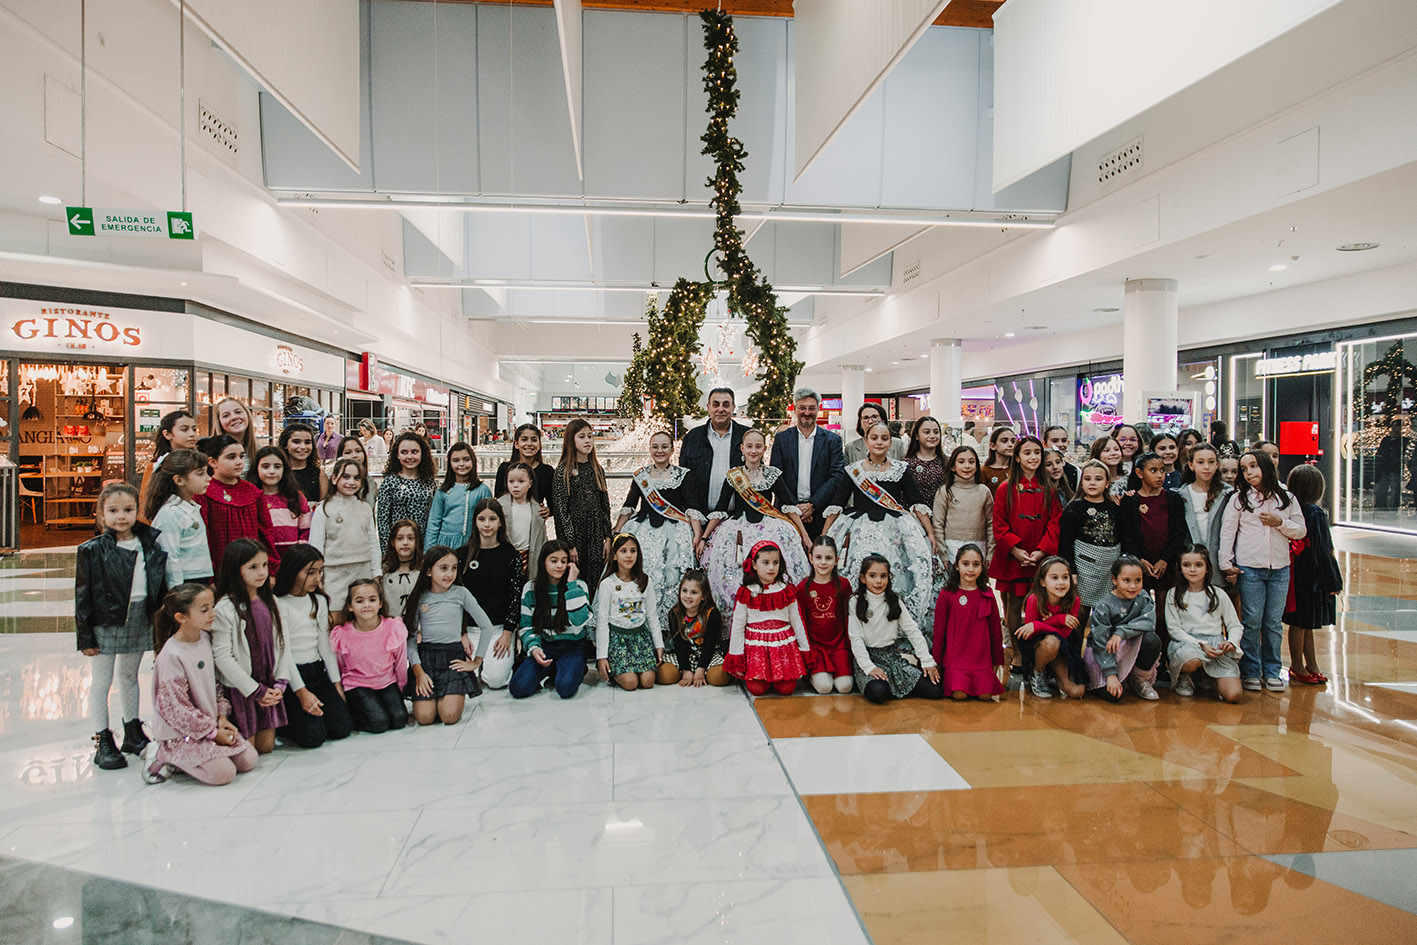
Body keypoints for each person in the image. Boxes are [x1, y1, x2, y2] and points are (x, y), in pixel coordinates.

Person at [76, 482, 168, 771]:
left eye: (128, 510)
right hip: (105, 619)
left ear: (137, 511)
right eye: (113, 510)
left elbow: (159, 582)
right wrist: (85, 635)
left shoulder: (149, 542)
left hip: (141, 615)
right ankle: (102, 738)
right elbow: (82, 595)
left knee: (130, 675)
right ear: (101, 514)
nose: (121, 516)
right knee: (102, 681)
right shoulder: (91, 550)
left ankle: (132, 730)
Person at [142, 584, 258, 785]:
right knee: (224, 774)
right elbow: (175, 709)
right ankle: (164, 754)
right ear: (181, 617)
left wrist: (222, 717)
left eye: (212, 607)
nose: (212, 614)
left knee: (249, 760)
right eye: (204, 610)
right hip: (183, 734)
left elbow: (215, 684)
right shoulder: (172, 655)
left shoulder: (204, 638)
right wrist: (212, 732)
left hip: (210, 725)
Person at [822, 422, 937, 622]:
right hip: (859, 530)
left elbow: (916, 502)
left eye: (884, 438)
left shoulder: (901, 469)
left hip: (895, 531)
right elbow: (837, 505)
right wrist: (824, 537)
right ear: (866, 441)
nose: (879, 442)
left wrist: (930, 534)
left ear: (890, 442)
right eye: (874, 438)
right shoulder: (853, 470)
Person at [700, 427, 812, 616]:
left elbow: (790, 507)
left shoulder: (772, 474)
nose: (753, 450)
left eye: (758, 446)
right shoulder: (733, 475)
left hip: (770, 529)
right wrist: (704, 537)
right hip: (738, 531)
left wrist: (805, 536)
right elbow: (720, 509)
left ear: (764, 449)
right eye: (749, 446)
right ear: (742, 449)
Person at [1219, 450, 1306, 692]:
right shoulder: (1239, 499)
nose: (1248, 473)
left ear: (1266, 467)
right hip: (1250, 568)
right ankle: (1250, 670)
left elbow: (1300, 530)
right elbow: (1228, 533)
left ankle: (1272, 670)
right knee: (1252, 621)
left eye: (1253, 466)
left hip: (1279, 568)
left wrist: (1281, 523)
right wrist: (1226, 563)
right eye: (1244, 469)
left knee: (1273, 622)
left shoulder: (1286, 498)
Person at [211, 539, 304, 753]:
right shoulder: (226, 608)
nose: (261, 572)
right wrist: (255, 690)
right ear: (236, 570)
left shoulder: (272, 602)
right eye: (253, 567)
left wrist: (280, 683)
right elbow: (223, 657)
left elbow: (283, 646)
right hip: (243, 688)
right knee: (247, 752)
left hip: (268, 685)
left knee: (266, 748)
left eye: (264, 565)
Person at [615, 431, 703, 623]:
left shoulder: (682, 475)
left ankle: (670, 623)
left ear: (672, 449)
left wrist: (697, 535)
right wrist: (617, 532)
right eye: (655, 447)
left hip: (675, 533)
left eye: (664, 446)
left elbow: (692, 507)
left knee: (672, 575)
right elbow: (629, 505)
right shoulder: (641, 475)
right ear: (649, 449)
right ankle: (639, 623)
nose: (659, 451)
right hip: (643, 531)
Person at [402, 545, 496, 725]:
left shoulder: (461, 593)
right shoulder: (420, 597)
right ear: (429, 571)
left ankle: (446, 698)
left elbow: (486, 627)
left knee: (450, 717)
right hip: (426, 660)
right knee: (424, 718)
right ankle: (434, 700)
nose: (450, 574)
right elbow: (411, 640)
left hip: (453, 658)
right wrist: (419, 673)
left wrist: (477, 661)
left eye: (454, 568)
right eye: (443, 568)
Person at [273, 545, 353, 748]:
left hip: (316, 671)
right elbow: (284, 652)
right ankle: (283, 721)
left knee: (342, 727)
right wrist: (301, 692)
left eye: (320, 571)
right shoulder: (278, 603)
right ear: (292, 570)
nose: (317, 578)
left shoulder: (318, 600)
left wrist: (335, 684)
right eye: (310, 572)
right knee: (313, 738)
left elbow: (325, 646)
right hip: (292, 677)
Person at [991, 435, 1062, 651]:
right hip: (1015, 557)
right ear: (1018, 458)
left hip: (1041, 557)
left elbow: (1054, 521)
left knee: (1042, 603)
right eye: (1027, 453)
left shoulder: (1049, 489)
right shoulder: (1005, 488)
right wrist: (1014, 548)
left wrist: (1042, 550)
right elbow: (999, 522)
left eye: (1037, 452)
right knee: (1013, 603)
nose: (1033, 457)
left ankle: (1038, 650)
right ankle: (1018, 652)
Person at [848, 554, 942, 704]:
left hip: (892, 658)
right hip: (869, 659)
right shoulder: (855, 601)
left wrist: (926, 661)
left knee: (935, 690)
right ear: (863, 578)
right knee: (878, 692)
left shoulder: (894, 600)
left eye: (883, 576)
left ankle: (899, 681)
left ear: (889, 577)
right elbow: (856, 638)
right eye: (873, 576)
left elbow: (912, 631)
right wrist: (869, 667)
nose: (878, 581)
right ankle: (883, 685)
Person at [723, 541, 811, 696]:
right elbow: (738, 626)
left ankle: (778, 677)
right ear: (754, 565)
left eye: (775, 562)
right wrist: (737, 654)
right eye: (766, 562)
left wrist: (804, 649)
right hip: (757, 647)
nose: (771, 567)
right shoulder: (746, 592)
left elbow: (797, 621)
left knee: (786, 689)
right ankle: (763, 676)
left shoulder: (786, 590)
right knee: (757, 689)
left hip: (782, 646)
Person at [509, 541, 593, 700]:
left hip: (573, 645)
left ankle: (573, 667)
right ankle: (554, 668)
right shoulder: (531, 588)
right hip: (545, 645)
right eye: (553, 561)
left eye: (563, 561)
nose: (559, 565)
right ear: (544, 562)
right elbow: (526, 626)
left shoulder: (579, 586)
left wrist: (572, 585)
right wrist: (534, 648)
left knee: (565, 688)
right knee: (518, 688)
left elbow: (579, 623)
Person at [457, 499, 524, 690]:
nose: (487, 525)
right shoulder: (462, 555)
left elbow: (515, 595)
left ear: (500, 522)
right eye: (482, 519)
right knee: (466, 680)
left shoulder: (510, 555)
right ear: (475, 522)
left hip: (499, 629)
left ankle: (508, 659)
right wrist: (461, 633)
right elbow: (455, 598)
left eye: (492, 519)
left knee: (495, 680)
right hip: (470, 630)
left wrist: (507, 633)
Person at [1284, 465, 1341, 686]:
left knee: (1303, 621)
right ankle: (1299, 665)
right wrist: (1332, 580)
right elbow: (1323, 549)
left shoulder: (1295, 509)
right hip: (1311, 576)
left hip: (1297, 570)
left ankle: (1310, 664)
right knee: (1302, 622)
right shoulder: (1315, 513)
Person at [328, 578, 409, 733]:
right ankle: (353, 714)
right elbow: (339, 665)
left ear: (380, 603)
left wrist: (400, 688)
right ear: (350, 606)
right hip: (357, 684)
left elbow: (400, 662)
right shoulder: (342, 634)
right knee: (379, 723)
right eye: (359, 601)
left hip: (386, 682)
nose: (366, 605)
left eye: (372, 600)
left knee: (399, 719)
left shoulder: (393, 627)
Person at [1165, 546, 1244, 702]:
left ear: (1207, 568)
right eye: (1187, 565)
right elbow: (1174, 630)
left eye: (1198, 565)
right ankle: (1185, 674)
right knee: (1193, 660)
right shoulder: (1173, 594)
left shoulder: (1218, 594)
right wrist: (1200, 644)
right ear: (1179, 568)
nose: (1192, 570)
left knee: (1234, 695)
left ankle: (1206, 676)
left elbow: (1234, 625)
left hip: (1215, 646)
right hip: (1188, 643)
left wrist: (1231, 642)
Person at [770, 388, 846, 539]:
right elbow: (775, 475)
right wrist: (796, 509)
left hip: (821, 515)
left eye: (811, 408)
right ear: (795, 409)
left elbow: (837, 476)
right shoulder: (781, 439)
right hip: (787, 513)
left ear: (818, 409)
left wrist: (812, 505)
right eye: (802, 408)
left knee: (820, 561)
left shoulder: (832, 440)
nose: (807, 412)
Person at [931, 544, 1004, 700]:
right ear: (957, 566)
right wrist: (936, 661)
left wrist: (997, 661)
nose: (970, 569)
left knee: (985, 696)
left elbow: (995, 631)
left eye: (976, 565)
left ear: (982, 567)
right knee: (960, 695)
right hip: (956, 659)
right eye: (966, 564)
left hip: (981, 660)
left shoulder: (987, 594)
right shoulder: (947, 594)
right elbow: (939, 631)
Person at [550, 417, 613, 599]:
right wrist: (569, 544)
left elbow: (604, 505)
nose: (588, 441)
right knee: (576, 575)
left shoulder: (597, 469)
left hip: (595, 533)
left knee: (596, 575)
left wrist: (607, 536)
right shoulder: (563, 471)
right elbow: (562, 511)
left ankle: (595, 617)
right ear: (571, 440)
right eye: (582, 437)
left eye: (590, 436)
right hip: (575, 534)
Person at [594, 534, 666, 691]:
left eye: (633, 551)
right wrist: (602, 656)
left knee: (648, 682)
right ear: (614, 555)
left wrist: (659, 645)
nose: (628, 555)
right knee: (630, 683)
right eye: (623, 551)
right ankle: (616, 670)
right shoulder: (608, 584)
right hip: (618, 640)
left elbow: (652, 616)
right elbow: (602, 621)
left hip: (640, 639)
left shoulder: (645, 581)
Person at [310, 458, 382, 611]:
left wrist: (376, 573)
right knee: (335, 618)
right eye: (346, 477)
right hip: (333, 574)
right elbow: (315, 546)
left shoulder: (365, 508)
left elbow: (372, 543)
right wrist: (317, 575)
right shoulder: (323, 509)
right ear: (334, 478)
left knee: (361, 617)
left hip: (362, 571)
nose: (351, 482)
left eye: (357, 478)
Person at [1084, 557, 1161, 702]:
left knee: (1151, 640)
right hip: (1104, 652)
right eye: (1127, 580)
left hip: (1129, 644)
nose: (1133, 586)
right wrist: (1110, 674)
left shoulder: (1143, 598)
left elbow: (1149, 621)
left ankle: (1139, 680)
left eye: (1138, 580)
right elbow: (1100, 641)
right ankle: (1118, 676)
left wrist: (1121, 633)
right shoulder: (1104, 606)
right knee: (1114, 696)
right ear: (1114, 580)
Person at [195, 435, 274, 570]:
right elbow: (202, 539)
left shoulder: (253, 492)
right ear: (213, 462)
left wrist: (270, 568)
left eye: (241, 456)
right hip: (220, 566)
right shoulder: (204, 492)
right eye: (231, 457)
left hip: (253, 567)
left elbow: (266, 533)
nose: (239, 462)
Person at [1058, 460, 1124, 618]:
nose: (1092, 483)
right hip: (1083, 569)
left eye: (1098, 479)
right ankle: (1076, 643)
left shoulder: (1115, 507)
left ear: (1107, 483)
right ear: (1081, 483)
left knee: (1106, 614)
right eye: (1087, 479)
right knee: (1080, 613)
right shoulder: (1074, 508)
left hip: (1109, 568)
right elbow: (1065, 543)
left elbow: (1122, 537)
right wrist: (1071, 571)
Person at [1015, 557, 1086, 699]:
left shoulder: (1074, 600)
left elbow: (1064, 634)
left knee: (1077, 691)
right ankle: (1037, 671)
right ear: (1042, 582)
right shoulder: (1034, 599)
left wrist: (1039, 624)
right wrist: (1060, 619)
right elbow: (1030, 634)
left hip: (1063, 647)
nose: (1061, 582)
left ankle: (1052, 671)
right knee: (1051, 642)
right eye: (1054, 578)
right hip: (1039, 646)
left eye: (1065, 577)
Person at [1119, 451, 1187, 600]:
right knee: (1138, 606)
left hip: (1166, 563)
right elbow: (1126, 534)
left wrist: (1165, 559)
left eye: (1162, 470)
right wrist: (1140, 559)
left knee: (1164, 607)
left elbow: (1179, 532)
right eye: (1153, 471)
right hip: (1139, 564)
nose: (1159, 475)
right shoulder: (1130, 500)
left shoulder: (1173, 498)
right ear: (1139, 473)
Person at [146, 449, 214, 587]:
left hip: (199, 577)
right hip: (186, 582)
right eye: (200, 473)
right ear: (179, 480)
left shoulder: (190, 508)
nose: (208, 478)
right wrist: (177, 591)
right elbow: (170, 558)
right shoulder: (170, 513)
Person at [796, 535, 854, 695]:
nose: (823, 562)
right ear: (811, 558)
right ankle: (813, 675)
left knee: (845, 687)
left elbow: (848, 618)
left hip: (838, 646)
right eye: (818, 557)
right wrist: (806, 653)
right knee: (824, 688)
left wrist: (851, 648)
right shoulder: (802, 587)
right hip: (816, 648)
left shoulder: (843, 585)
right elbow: (801, 622)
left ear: (836, 560)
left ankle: (840, 669)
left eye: (828, 558)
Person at [678, 388, 748, 513]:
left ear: (733, 408)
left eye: (726, 405)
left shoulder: (746, 436)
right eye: (716, 404)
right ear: (708, 407)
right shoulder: (692, 437)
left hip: (738, 518)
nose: (720, 409)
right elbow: (683, 478)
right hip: (700, 517)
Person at [1176, 444, 1234, 592]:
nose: (1206, 467)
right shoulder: (1181, 495)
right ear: (1191, 465)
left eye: (1211, 462)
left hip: (1219, 562)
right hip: (1191, 561)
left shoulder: (1228, 494)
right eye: (1200, 462)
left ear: (1217, 464)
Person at [247, 445, 311, 576]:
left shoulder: (296, 498)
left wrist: (297, 558)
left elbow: (305, 531)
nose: (272, 471)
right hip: (261, 564)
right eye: (265, 467)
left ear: (284, 469)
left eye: (277, 466)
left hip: (292, 563)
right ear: (256, 469)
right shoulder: (250, 498)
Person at [658, 570, 729, 687]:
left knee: (718, 678)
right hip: (684, 654)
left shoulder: (712, 614)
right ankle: (688, 673)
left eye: (694, 592)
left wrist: (701, 669)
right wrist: (686, 670)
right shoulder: (675, 613)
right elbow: (679, 643)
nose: (688, 596)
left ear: (703, 596)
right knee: (665, 675)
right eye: (684, 591)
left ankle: (704, 673)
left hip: (706, 654)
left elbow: (709, 644)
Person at [932, 445, 995, 563]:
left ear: (977, 467)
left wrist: (990, 554)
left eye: (971, 462)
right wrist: (943, 553)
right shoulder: (945, 491)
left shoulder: (984, 491)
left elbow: (991, 524)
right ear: (953, 467)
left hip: (979, 547)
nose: (967, 466)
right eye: (961, 462)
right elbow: (938, 524)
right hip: (951, 549)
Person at [425, 442, 493, 549]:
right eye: (456, 461)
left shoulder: (483, 490)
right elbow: (434, 523)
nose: (461, 464)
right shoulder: (443, 491)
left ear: (473, 461)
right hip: (445, 545)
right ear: (450, 464)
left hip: (473, 544)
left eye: (466, 459)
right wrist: (429, 552)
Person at [377, 432, 438, 546]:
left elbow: (434, 518)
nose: (409, 457)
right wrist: (386, 551)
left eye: (414, 452)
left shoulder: (429, 482)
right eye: (404, 452)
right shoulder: (389, 482)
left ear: (422, 454)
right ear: (397, 455)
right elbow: (383, 521)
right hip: (398, 546)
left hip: (423, 545)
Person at [139, 409, 200, 522]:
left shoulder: (199, 463)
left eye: (194, 429)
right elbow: (146, 507)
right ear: (167, 434)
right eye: (184, 429)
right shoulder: (157, 466)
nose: (192, 434)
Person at [493, 423, 556, 513]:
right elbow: (499, 499)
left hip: (534, 523)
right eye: (524, 439)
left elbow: (553, 504)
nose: (529, 444)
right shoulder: (505, 469)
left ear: (539, 445)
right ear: (516, 444)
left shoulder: (547, 471)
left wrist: (548, 511)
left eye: (534, 440)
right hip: (508, 522)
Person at [499, 461, 547, 571]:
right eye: (511, 481)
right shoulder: (499, 506)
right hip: (506, 556)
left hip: (530, 557)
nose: (515, 485)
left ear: (530, 483)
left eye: (521, 481)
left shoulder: (538, 510)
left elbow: (542, 540)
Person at [904, 416, 948, 509]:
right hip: (914, 518)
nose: (932, 436)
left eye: (936, 432)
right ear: (916, 436)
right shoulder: (906, 464)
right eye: (927, 432)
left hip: (941, 517)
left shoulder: (947, 462)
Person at [279, 423, 329, 504]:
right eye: (296, 442)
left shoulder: (319, 475)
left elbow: (323, 506)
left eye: (307, 442)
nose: (303, 447)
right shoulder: (277, 473)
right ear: (285, 444)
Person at [382, 519, 422, 616]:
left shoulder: (424, 570)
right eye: (400, 538)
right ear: (392, 542)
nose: (405, 543)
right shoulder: (383, 572)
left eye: (410, 538)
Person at [214, 397, 258, 474]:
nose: (234, 417)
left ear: (247, 415)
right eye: (226, 415)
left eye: (238, 412)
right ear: (219, 422)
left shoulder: (259, 451)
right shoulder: (210, 453)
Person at [1374, 421, 1406, 509]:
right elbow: (1381, 453)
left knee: (1395, 490)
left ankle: (1393, 508)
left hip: (1394, 468)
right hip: (1384, 469)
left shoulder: (1403, 441)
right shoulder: (1386, 440)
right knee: (1381, 489)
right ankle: (1381, 507)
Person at [1042, 425, 1080, 494]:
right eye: (1055, 441)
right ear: (1044, 444)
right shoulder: (1037, 470)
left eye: (1064, 440)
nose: (1060, 444)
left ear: (1068, 443)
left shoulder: (1075, 471)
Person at [980, 427, 1016, 492]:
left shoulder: (1018, 470)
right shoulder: (984, 472)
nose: (1010, 445)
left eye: (1013, 441)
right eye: (1004, 441)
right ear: (992, 446)